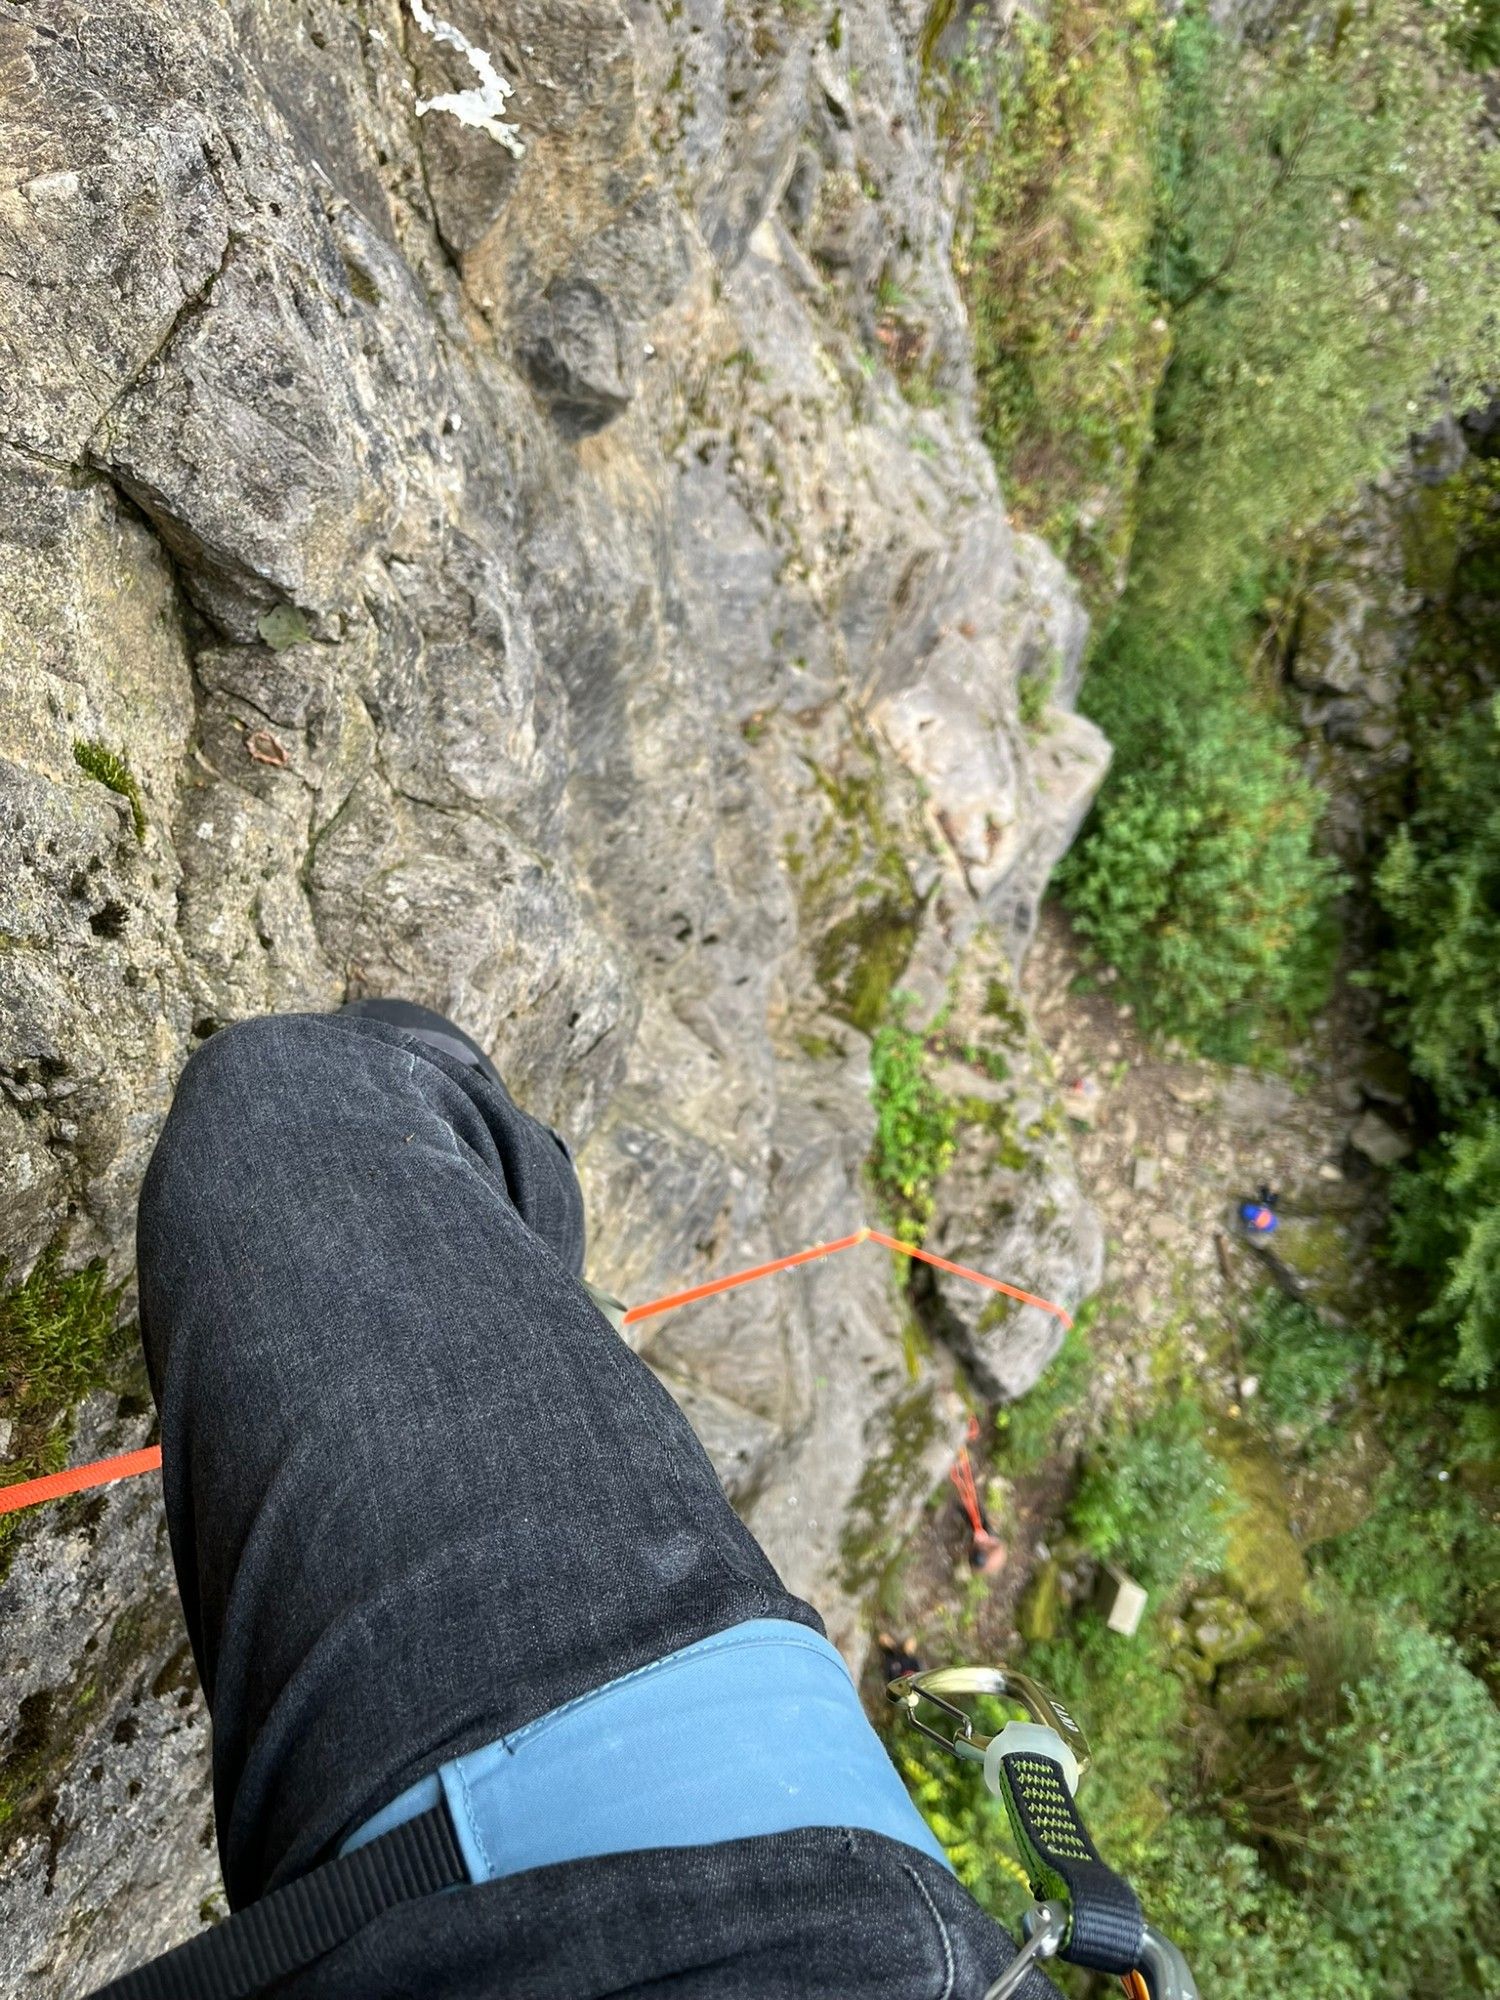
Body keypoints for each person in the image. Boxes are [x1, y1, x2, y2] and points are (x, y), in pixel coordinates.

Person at [98, 1001, 1051, 1999]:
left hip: (751, 1866)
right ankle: (516, 1272)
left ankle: (512, 1235)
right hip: (816, 1879)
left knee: (293, 1097)